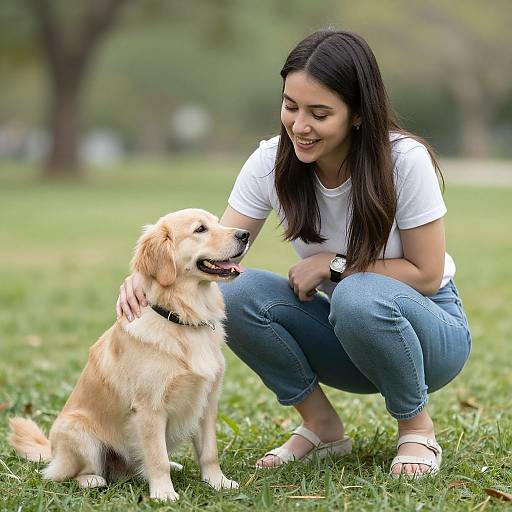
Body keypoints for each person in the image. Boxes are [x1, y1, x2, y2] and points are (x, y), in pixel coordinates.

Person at [117, 29, 471, 478]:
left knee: (357, 293)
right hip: (348, 334)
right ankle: (322, 428)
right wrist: (146, 275)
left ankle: (416, 429)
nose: (299, 126)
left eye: (319, 113)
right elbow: (215, 254)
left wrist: (332, 265)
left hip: (429, 335)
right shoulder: (270, 161)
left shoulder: (404, 159)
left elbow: (426, 273)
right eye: (290, 106)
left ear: (358, 113)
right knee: (238, 292)